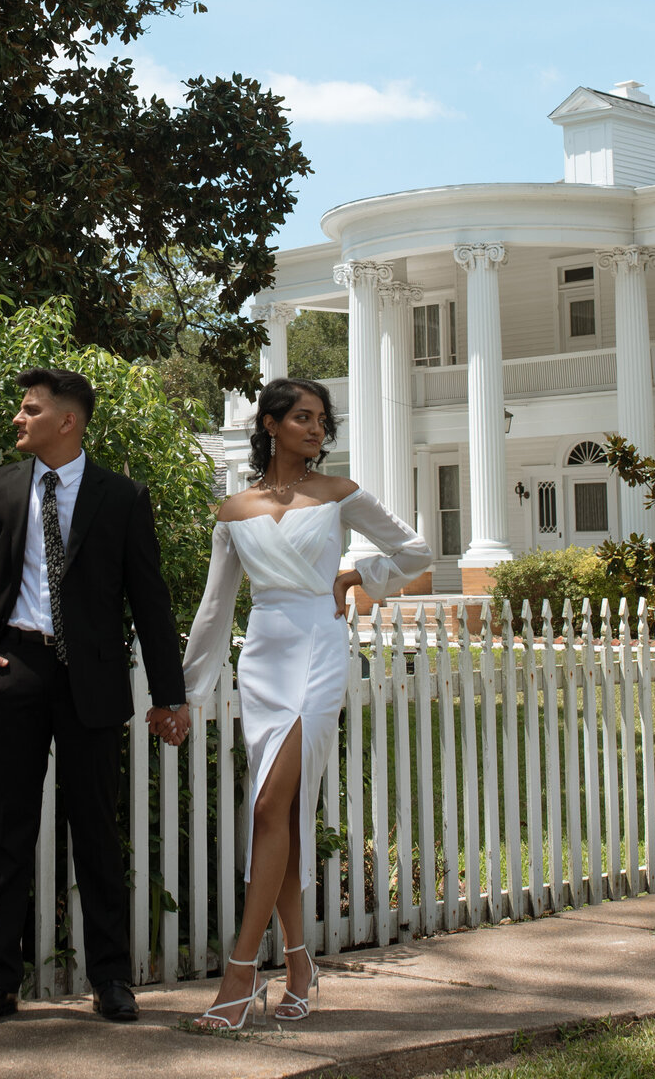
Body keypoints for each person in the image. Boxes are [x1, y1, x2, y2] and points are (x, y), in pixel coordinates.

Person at [0, 366, 189, 1033]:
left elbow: (150, 600)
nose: (18, 419)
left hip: (94, 680)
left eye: (30, 409)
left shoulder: (121, 496)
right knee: (4, 832)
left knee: (98, 834)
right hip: (14, 670)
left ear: (68, 421)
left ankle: (110, 979)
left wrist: (171, 695)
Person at [181, 376, 430, 1032]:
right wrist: (184, 694)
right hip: (262, 658)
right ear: (270, 424)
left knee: (268, 806)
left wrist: (355, 576)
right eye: (302, 417)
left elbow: (416, 552)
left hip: (319, 652)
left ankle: (238, 980)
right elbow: (213, 612)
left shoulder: (338, 493)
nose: (317, 429)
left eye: (322, 419)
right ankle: (298, 966)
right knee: (280, 814)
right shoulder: (233, 510)